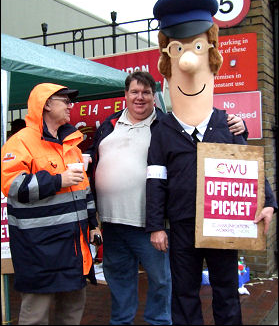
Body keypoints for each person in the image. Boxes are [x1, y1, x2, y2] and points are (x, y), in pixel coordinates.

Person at [145, 0, 278, 325]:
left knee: (226, 289)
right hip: (182, 225)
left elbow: (246, 168)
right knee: (184, 292)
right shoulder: (162, 129)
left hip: (222, 224)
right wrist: (156, 227)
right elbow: (155, 180)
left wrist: (269, 202)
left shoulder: (228, 124)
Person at [86, 71, 246, 325]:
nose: (140, 98)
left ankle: (159, 322)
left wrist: (238, 125)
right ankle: (121, 321)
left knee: (162, 281)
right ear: (125, 96)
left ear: (154, 97)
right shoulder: (109, 125)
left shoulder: (167, 124)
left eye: (146, 93)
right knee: (118, 278)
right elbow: (94, 164)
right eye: (134, 92)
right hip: (113, 222)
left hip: (150, 223)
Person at [1, 82, 102, 325]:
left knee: (72, 313)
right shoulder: (20, 142)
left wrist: (93, 225)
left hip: (73, 248)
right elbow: (13, 186)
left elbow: (83, 190)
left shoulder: (71, 144)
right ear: (47, 104)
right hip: (39, 251)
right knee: (35, 317)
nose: (71, 106)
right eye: (65, 101)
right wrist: (58, 180)